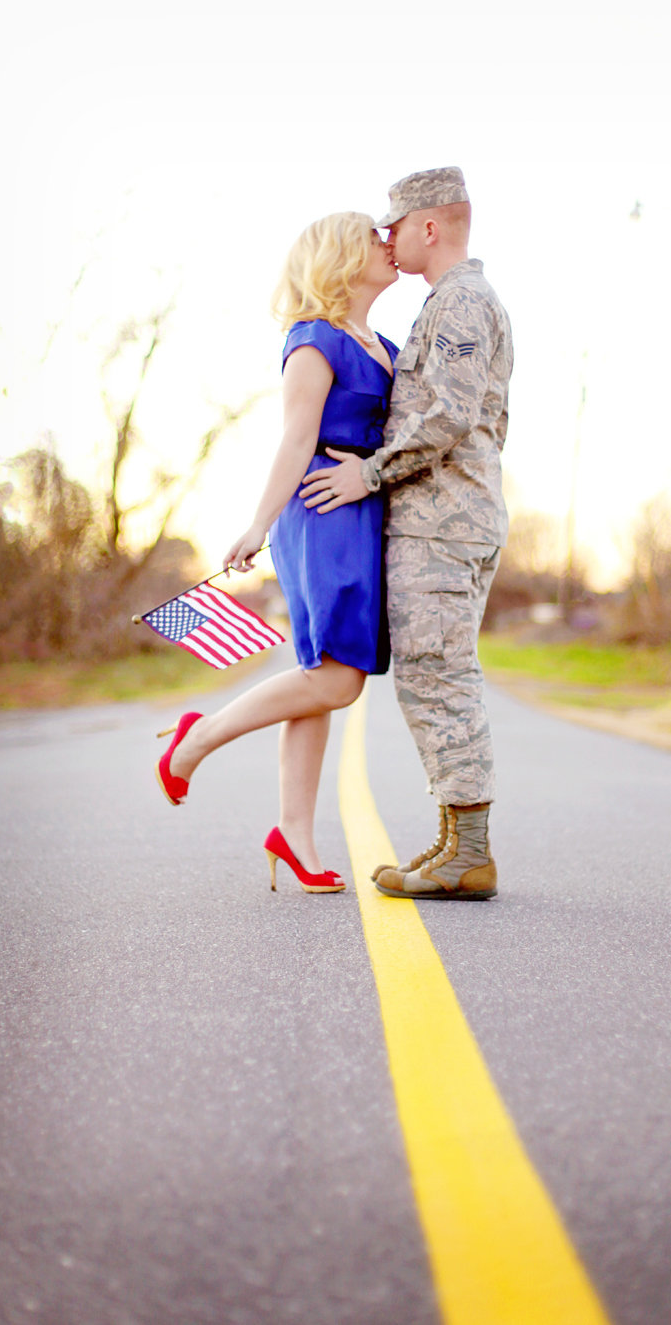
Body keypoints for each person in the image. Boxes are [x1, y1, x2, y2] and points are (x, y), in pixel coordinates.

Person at [156, 212, 399, 893]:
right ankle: (197, 738)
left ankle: (293, 836)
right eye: (375, 238)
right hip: (320, 513)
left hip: (363, 510)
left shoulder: (383, 343)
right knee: (338, 679)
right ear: (343, 258)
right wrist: (257, 525)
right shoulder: (314, 341)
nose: (389, 246)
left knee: (320, 678)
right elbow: (294, 440)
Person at [300, 167, 514, 901]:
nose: (386, 237)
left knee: (439, 676)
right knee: (432, 677)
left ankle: (469, 854)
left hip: (443, 525)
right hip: (449, 519)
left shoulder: (459, 302)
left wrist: (369, 472)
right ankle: (457, 842)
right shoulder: (451, 303)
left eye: (396, 224)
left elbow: (449, 417)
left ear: (430, 226)